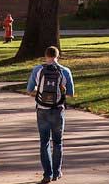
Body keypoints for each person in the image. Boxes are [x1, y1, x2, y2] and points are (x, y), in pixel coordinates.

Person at [27, 46, 75, 183]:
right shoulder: (65, 71)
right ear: (58, 56)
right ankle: (57, 172)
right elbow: (70, 94)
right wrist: (61, 91)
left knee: (44, 142)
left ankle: (47, 174)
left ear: (45, 55)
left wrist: (42, 94)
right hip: (58, 110)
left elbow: (30, 90)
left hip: (42, 109)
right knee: (58, 142)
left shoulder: (37, 70)